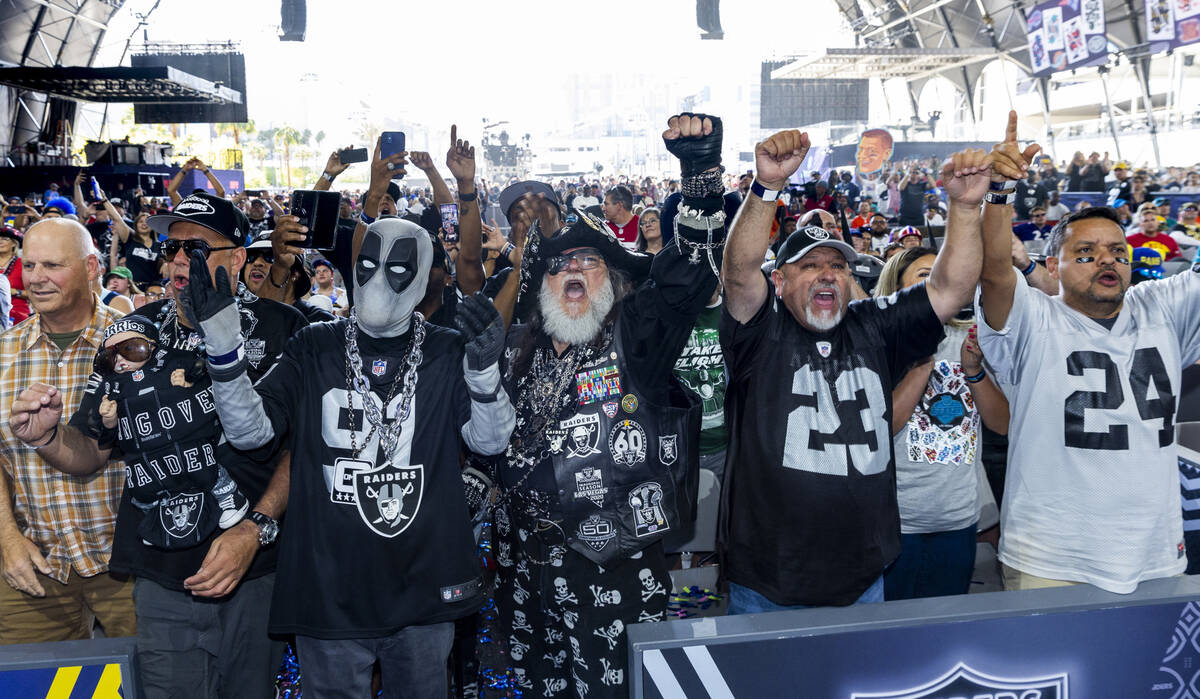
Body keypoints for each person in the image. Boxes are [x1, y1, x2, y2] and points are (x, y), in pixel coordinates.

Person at [187, 212, 514, 697]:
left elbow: (490, 443)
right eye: (367, 263)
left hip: (423, 584)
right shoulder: (314, 344)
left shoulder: (447, 350)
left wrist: (485, 376)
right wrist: (222, 347)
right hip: (329, 585)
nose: (378, 278)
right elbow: (250, 434)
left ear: (424, 277)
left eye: (399, 267)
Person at [12, 193, 305, 697]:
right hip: (161, 574)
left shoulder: (286, 330)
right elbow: (90, 449)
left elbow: (299, 453)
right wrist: (47, 439)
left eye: (197, 250)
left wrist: (253, 530)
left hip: (256, 570)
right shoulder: (132, 331)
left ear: (236, 259)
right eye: (172, 248)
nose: (179, 262)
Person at [480, 113, 724, 699]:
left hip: (612, 569)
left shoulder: (636, 335)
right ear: (542, 286)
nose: (573, 272)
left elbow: (690, 276)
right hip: (523, 571)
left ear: (610, 281)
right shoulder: (518, 348)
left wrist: (698, 170)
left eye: (588, 262)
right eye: (560, 265)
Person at [718, 125, 990, 612]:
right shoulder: (762, 331)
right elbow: (739, 272)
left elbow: (950, 289)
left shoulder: (873, 324)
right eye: (810, 265)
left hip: (863, 577)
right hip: (766, 581)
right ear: (779, 281)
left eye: (838, 266)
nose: (827, 273)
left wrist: (966, 209)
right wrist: (765, 189)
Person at [977, 117, 1200, 595]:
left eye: (1118, 251)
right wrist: (998, 193)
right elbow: (995, 270)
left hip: (1155, 551)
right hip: (1052, 556)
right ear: (1052, 264)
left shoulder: (1161, 307)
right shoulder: (1035, 318)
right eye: (1086, 252)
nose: (1107, 260)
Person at [0, 218, 136, 644]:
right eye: (29, 265)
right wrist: (7, 540)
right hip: (34, 566)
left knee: (158, 686)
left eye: (52, 266)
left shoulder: (136, 346)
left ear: (92, 268)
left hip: (132, 568)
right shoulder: (3, 353)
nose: (36, 278)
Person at [875, 248, 1009, 601]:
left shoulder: (974, 341)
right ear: (897, 288)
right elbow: (879, 428)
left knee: (942, 631)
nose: (940, 282)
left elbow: (1001, 424)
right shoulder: (877, 343)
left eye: (944, 272)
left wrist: (974, 371)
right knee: (888, 633)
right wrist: (922, 361)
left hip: (957, 521)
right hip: (894, 523)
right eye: (925, 275)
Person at [84, 317, 249, 549]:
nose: (120, 360)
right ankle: (155, 522)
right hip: (145, 455)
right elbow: (105, 440)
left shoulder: (174, 363)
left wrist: (189, 383)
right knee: (143, 491)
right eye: (110, 357)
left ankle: (227, 496)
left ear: (153, 345)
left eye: (131, 349)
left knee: (203, 468)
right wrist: (109, 421)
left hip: (186, 441)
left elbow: (211, 382)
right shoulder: (112, 387)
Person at [242, 234, 334, 324]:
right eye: (251, 257)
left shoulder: (319, 322)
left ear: (295, 274)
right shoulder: (238, 316)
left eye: (271, 257)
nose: (257, 262)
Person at [111, 212, 161, 287]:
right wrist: (104, 200)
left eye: (147, 221)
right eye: (141, 221)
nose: (144, 224)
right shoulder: (130, 241)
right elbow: (117, 219)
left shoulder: (159, 246)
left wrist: (165, 263)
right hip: (132, 287)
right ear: (136, 225)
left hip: (151, 289)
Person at [0, 225, 28, 324]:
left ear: (14, 243)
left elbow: (35, 293)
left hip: (17, 314)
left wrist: (15, 292)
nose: (0, 241)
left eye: (5, 239)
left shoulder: (24, 264)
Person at [602, 185, 639, 250]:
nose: (603, 209)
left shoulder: (642, 226)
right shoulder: (603, 228)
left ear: (619, 205)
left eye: (606, 204)